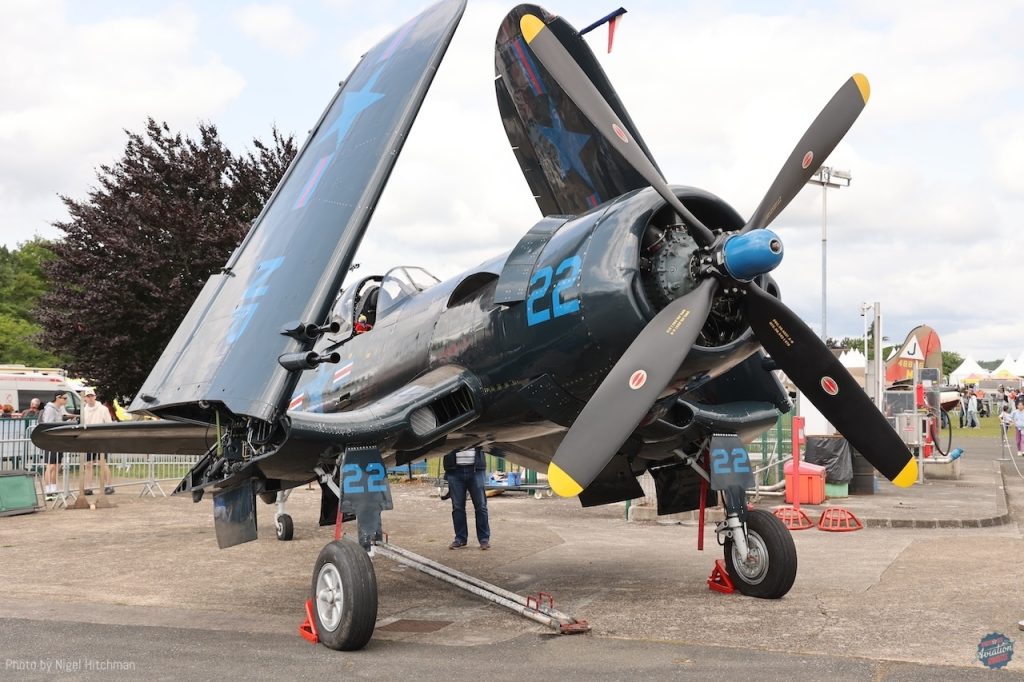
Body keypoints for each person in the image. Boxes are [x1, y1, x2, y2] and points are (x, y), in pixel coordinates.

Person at [443, 446, 491, 550]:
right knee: (457, 507)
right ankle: (460, 539)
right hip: (454, 470)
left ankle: (484, 539)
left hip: (476, 469)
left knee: (481, 506)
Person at [39, 392, 74, 500]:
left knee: (57, 465)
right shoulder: (50, 409)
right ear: (58, 398)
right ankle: (48, 490)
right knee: (51, 466)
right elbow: (48, 424)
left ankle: (53, 489)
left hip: (58, 440)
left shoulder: (60, 408)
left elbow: (59, 421)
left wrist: (68, 421)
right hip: (50, 441)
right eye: (64, 398)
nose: (66, 400)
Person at [81, 390, 115, 495]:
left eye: (92, 396)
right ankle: (88, 487)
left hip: (101, 439)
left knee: (102, 463)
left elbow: (109, 423)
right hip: (87, 440)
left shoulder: (103, 409)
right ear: (85, 398)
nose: (90, 398)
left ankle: (109, 485)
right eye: (88, 396)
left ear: (95, 397)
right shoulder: (83, 410)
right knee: (88, 464)